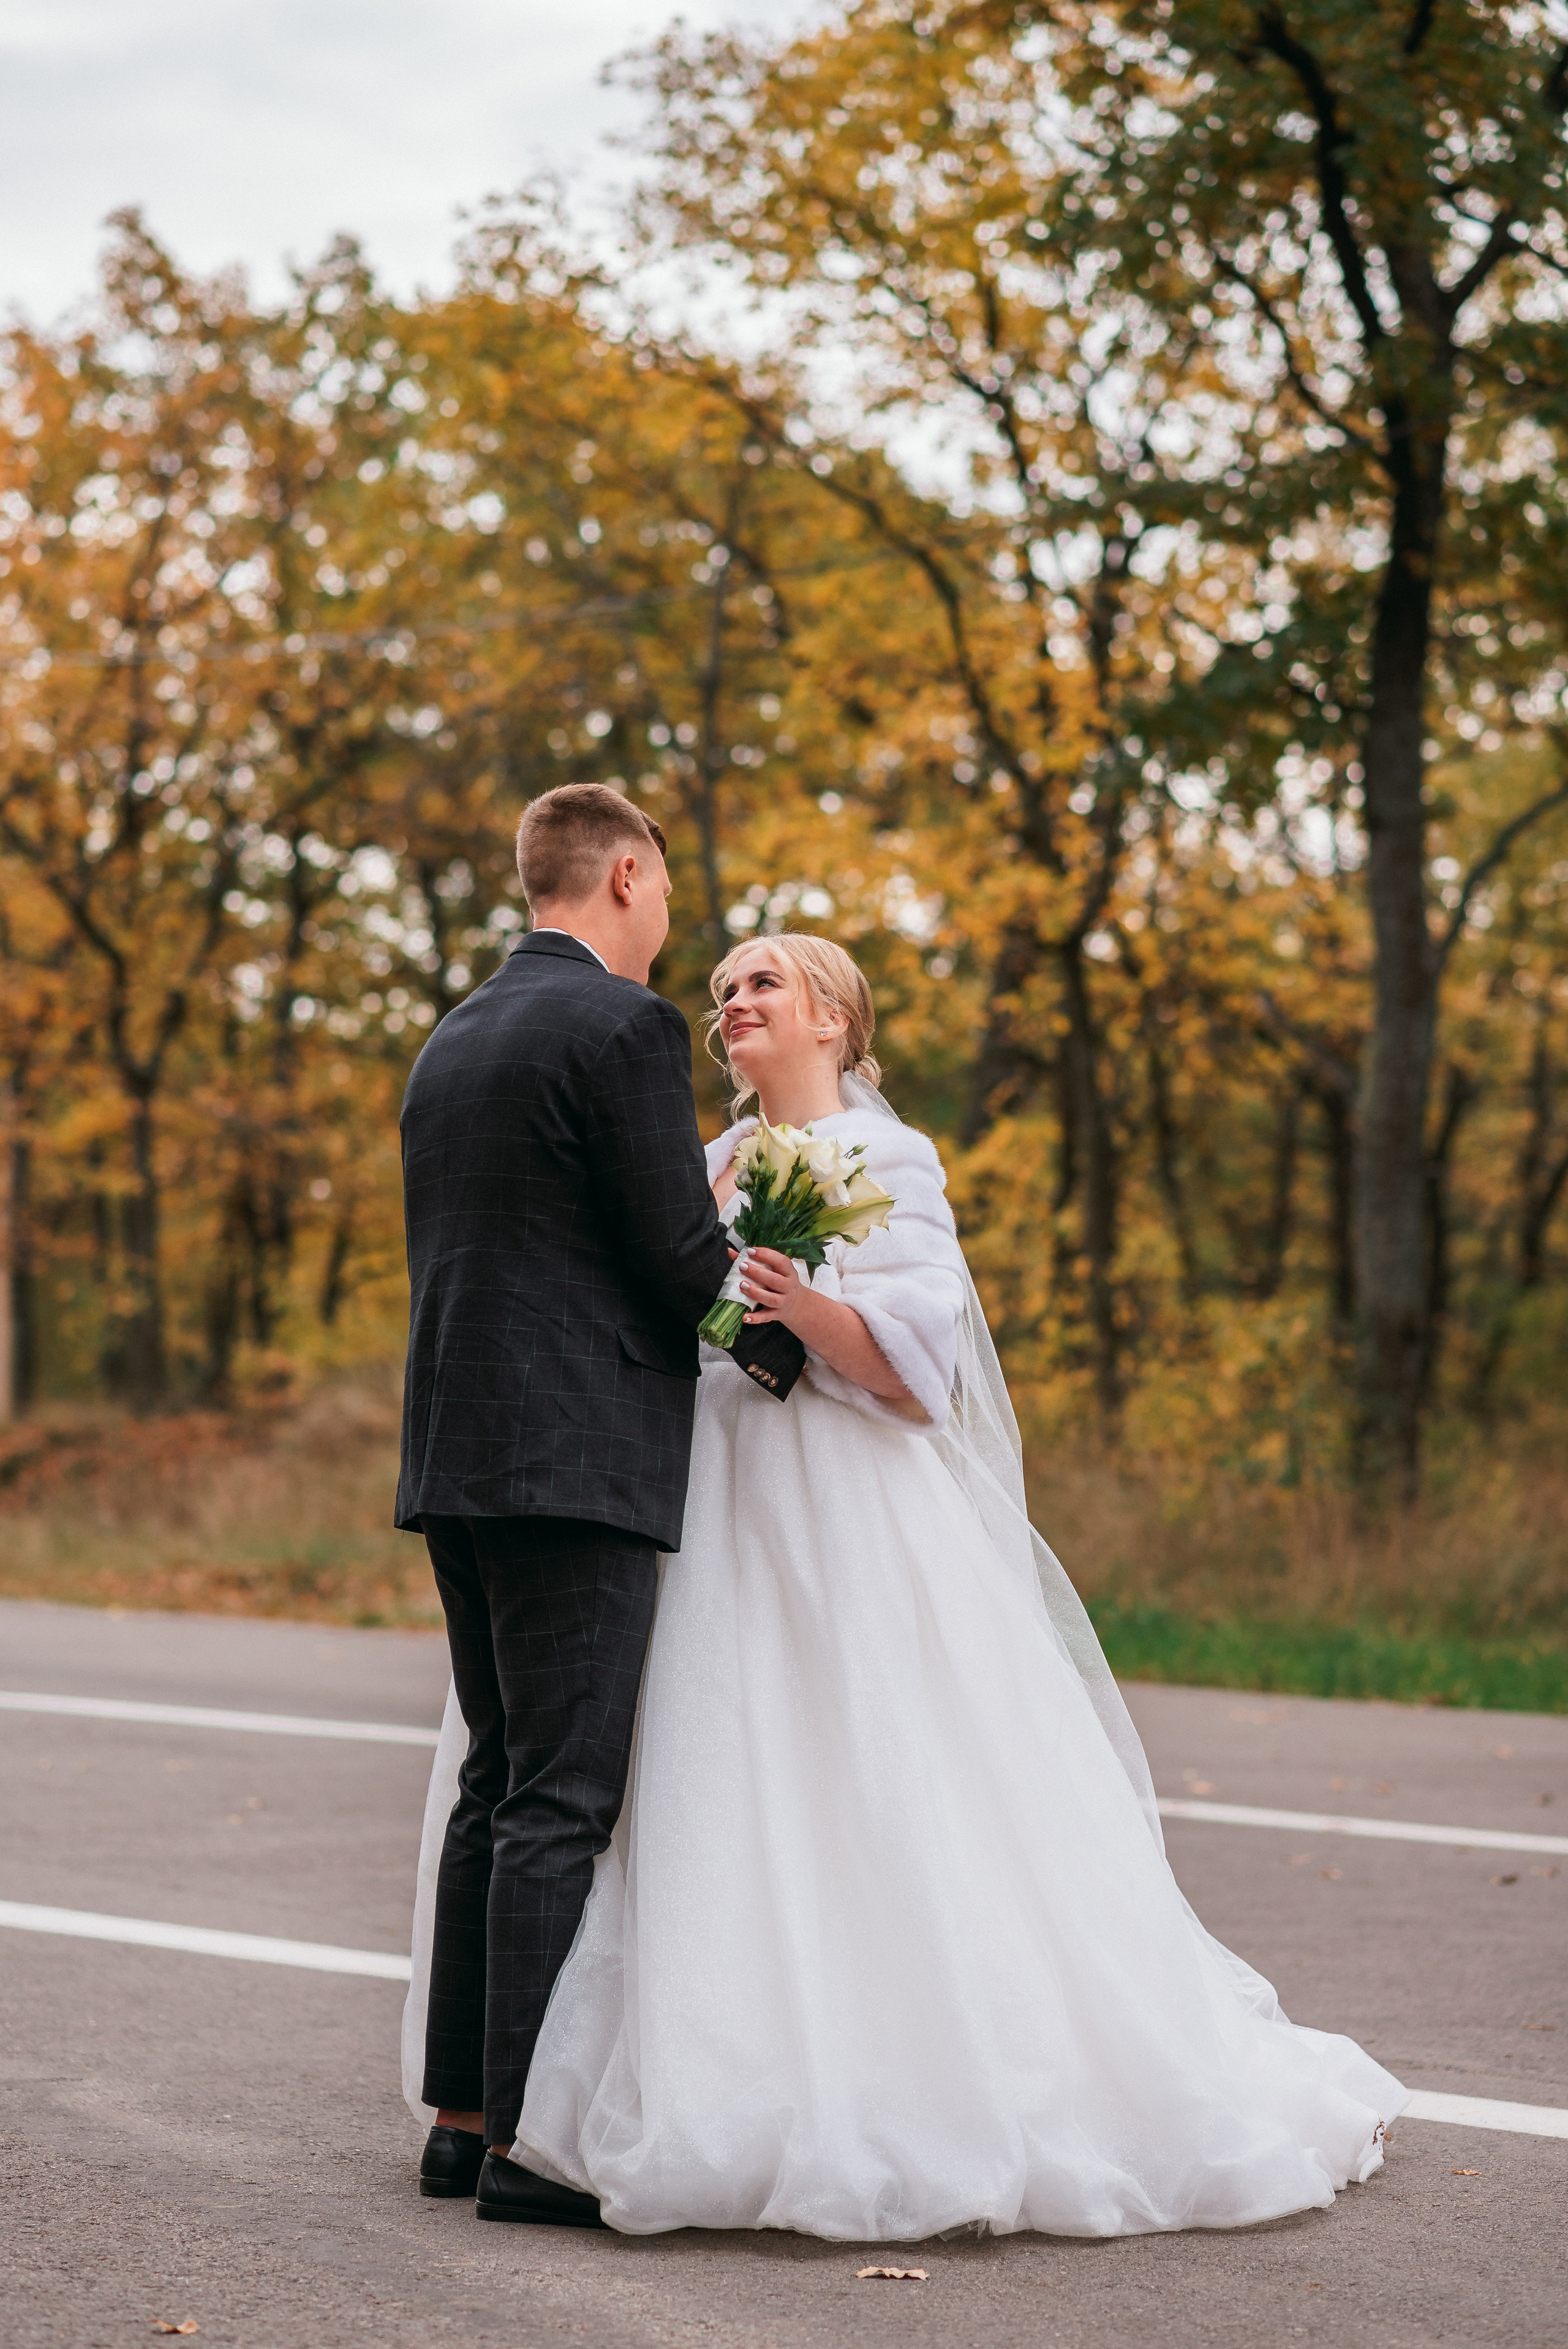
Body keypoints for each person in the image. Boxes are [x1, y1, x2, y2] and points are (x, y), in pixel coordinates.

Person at [404, 929, 1409, 2240]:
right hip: (697, 1485)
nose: (732, 1006)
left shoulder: (889, 1161)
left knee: (861, 1768)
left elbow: (917, 1368)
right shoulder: (702, 1164)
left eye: (761, 984)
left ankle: (888, 2066)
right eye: (720, 994)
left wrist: (806, 1311)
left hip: (838, 1499)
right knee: (677, 1774)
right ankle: (624, 2075)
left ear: (831, 1018)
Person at [395, 783, 803, 2227]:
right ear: (627, 872)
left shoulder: (456, 1035)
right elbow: (668, 1245)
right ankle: (525, 2142)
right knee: (563, 1795)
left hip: (456, 1448)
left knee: (497, 1781)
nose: (673, 919)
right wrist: (784, 1350)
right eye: (669, 889)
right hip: (574, 1458)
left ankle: (455, 2119)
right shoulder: (620, 1027)